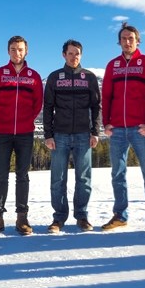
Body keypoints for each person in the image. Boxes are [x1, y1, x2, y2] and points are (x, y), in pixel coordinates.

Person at [101, 23, 145, 240]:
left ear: (138, 40)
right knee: (118, 174)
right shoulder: (113, 66)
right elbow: (107, 96)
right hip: (117, 129)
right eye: (124, 38)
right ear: (119, 41)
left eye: (131, 38)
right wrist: (106, 122)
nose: (127, 42)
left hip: (140, 129)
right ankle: (120, 215)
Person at [0, 35, 43, 237]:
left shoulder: (33, 77)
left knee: (22, 175)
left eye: (20, 49)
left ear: (26, 51)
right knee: (1, 175)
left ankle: (22, 217)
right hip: (2, 133)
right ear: (8, 51)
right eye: (13, 49)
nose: (17, 53)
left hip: (25, 134)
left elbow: (37, 103)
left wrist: (27, 120)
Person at [43, 39, 102, 233]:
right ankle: (59, 218)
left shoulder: (89, 77)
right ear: (64, 55)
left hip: (83, 135)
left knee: (83, 178)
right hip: (59, 135)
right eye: (70, 53)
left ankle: (82, 216)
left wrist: (95, 132)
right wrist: (48, 135)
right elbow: (48, 108)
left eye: (77, 53)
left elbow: (96, 107)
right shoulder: (54, 77)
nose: (74, 57)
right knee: (58, 179)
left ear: (81, 55)